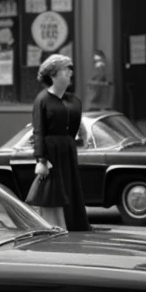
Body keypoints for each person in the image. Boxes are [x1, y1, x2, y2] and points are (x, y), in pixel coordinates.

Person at [26, 54, 92, 231]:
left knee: (71, 186)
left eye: (70, 69)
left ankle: (74, 224)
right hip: (51, 152)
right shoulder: (42, 100)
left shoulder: (73, 100)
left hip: (68, 149)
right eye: (65, 70)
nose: (70, 73)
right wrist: (41, 159)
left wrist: (82, 132)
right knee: (53, 190)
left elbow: (74, 121)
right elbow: (38, 130)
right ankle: (54, 226)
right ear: (53, 75)